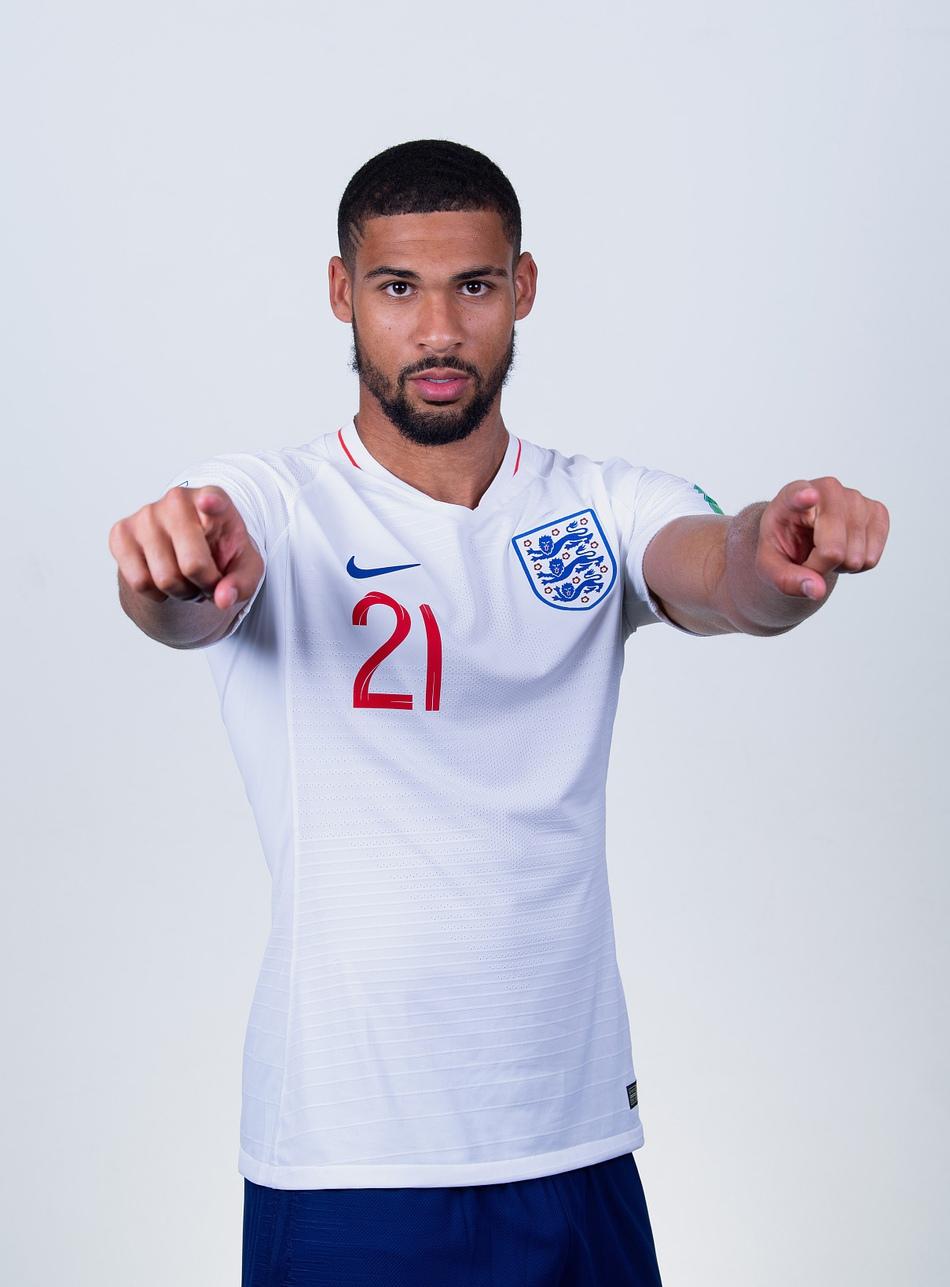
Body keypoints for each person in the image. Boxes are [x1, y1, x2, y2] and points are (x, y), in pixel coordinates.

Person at [108, 139, 890, 1286]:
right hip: (347, 1152)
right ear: (340, 293)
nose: (437, 330)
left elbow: (721, 572)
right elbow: (187, 596)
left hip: (572, 1138)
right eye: (396, 288)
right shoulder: (276, 500)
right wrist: (169, 572)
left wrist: (777, 547)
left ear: (521, 288)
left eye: (471, 285)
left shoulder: (599, 505)